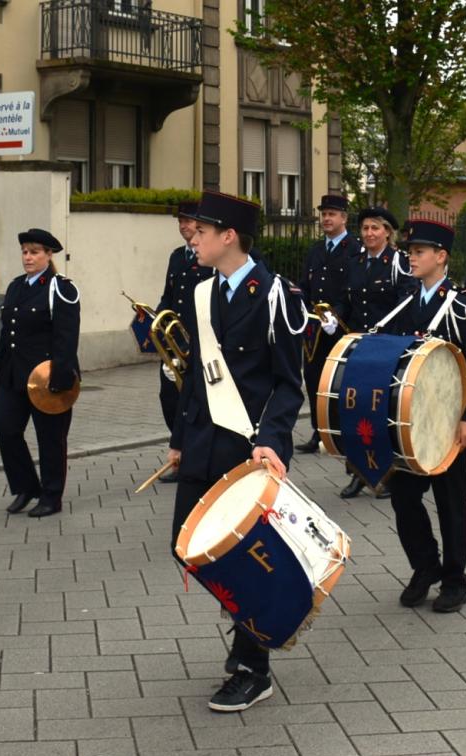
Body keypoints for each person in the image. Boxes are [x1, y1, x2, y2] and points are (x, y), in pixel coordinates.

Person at [167, 192, 305, 712]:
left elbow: (290, 383)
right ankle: (250, 630)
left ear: (228, 237)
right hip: (204, 437)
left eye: (201, 231)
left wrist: (272, 439)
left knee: (243, 558)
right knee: (188, 546)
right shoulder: (201, 291)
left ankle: (254, 665)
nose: (192, 238)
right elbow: (197, 378)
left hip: (249, 446)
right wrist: (180, 438)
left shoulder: (275, 295)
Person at [385, 220, 466, 612]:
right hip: (411, 421)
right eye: (410, 252)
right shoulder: (405, 301)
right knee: (403, 496)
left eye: (419, 252)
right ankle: (424, 566)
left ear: (441, 257)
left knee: (450, 503)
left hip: (449, 420)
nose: (411, 257)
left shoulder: (462, 305)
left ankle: (455, 579)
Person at [0, 228, 80, 517]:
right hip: (14, 376)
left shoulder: (60, 288)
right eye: (25, 252)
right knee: (4, 427)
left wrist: (61, 378)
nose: (28, 257)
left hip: (47, 378)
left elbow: (66, 338)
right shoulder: (17, 286)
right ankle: (27, 486)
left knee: (50, 439)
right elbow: (8, 334)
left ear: (48, 255)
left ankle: (51, 496)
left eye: (34, 252)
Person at [335, 206, 412, 498]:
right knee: (352, 408)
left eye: (375, 228)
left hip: (387, 347)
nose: (369, 234)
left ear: (387, 232)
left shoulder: (398, 262)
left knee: (381, 411)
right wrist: (335, 317)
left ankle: (387, 473)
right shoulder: (354, 262)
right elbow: (346, 300)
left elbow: (407, 299)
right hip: (358, 344)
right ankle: (357, 473)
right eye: (365, 228)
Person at [152, 201, 215, 483]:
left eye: (188, 221)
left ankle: (191, 456)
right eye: (180, 221)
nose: (184, 226)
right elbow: (169, 294)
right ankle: (182, 448)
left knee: (195, 400)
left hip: (199, 339)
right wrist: (154, 315)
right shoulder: (177, 256)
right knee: (169, 397)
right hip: (175, 340)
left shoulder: (208, 258)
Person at [295, 193, 359, 455]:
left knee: (339, 381)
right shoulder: (316, 250)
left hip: (339, 326)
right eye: (323, 214)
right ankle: (318, 431)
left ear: (344, 218)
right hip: (315, 327)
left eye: (332, 214)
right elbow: (305, 285)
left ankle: (341, 431)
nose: (326, 219)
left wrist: (337, 315)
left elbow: (353, 289)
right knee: (312, 378)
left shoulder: (354, 249)